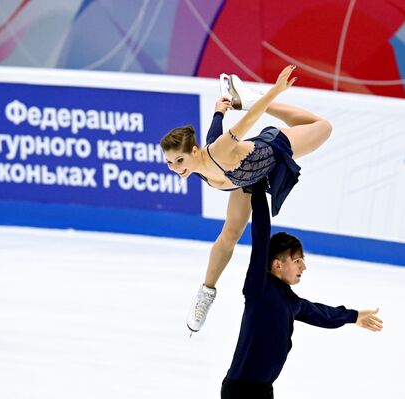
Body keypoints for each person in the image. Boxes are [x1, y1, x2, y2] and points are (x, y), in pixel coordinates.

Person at [160, 65, 333, 332]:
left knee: (323, 127)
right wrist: (219, 110)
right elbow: (213, 131)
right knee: (229, 234)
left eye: (179, 160)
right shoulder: (198, 162)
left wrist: (274, 91)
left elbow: (250, 120)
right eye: (170, 162)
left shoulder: (217, 151)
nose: (175, 167)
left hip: (273, 149)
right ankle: (205, 294)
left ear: (194, 152)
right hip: (246, 178)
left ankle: (252, 96)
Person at [220, 181, 383, 399]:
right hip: (240, 391)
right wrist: (257, 187)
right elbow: (261, 234)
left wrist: (353, 316)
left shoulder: (290, 301)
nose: (303, 267)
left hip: (263, 391)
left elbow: (320, 314)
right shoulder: (258, 288)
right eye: (297, 261)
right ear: (277, 264)